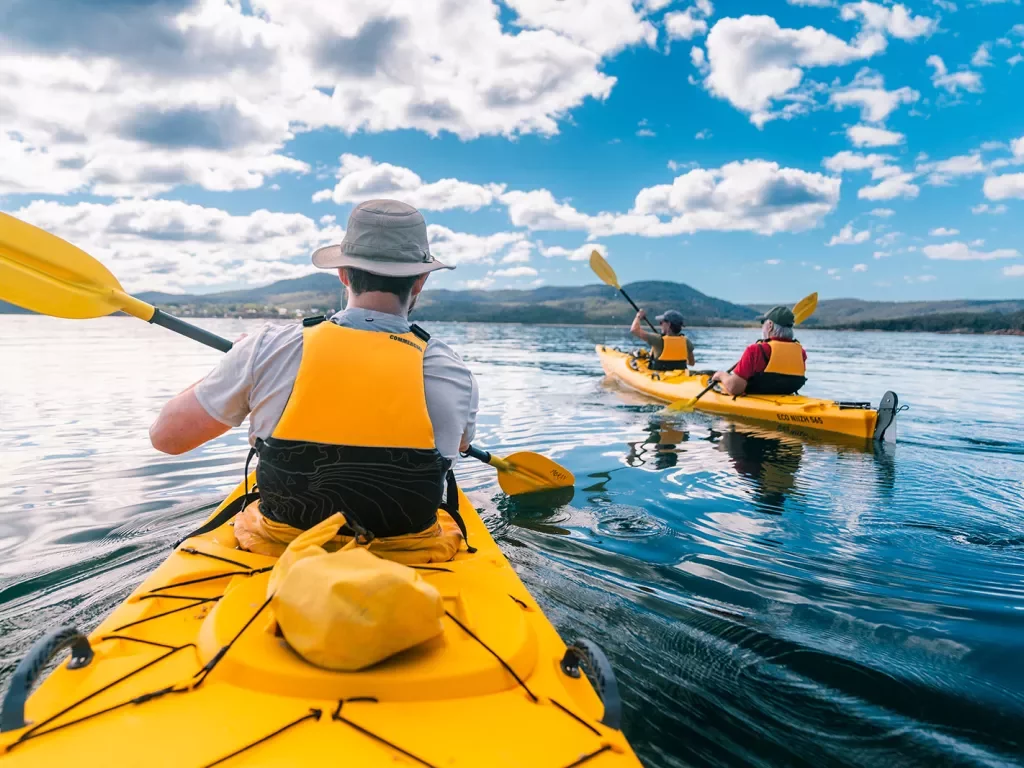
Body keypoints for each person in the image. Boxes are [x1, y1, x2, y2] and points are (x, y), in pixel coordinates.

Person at [149, 199, 479, 559]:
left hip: (279, 544)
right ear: (420, 280)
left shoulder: (268, 347)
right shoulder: (452, 370)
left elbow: (166, 438)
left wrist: (236, 363)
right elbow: (458, 446)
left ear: (343, 273)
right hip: (409, 551)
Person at [712, 306, 806, 396]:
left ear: (770, 326)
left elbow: (735, 388)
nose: (762, 327)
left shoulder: (755, 350)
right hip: (786, 398)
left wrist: (721, 375)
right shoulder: (801, 352)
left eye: (763, 322)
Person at [630, 308, 695, 371]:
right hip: (679, 377)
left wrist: (638, 317)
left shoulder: (657, 339)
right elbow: (692, 363)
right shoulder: (686, 341)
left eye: (661, 322)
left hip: (659, 377)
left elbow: (634, 330)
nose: (660, 324)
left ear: (669, 324)